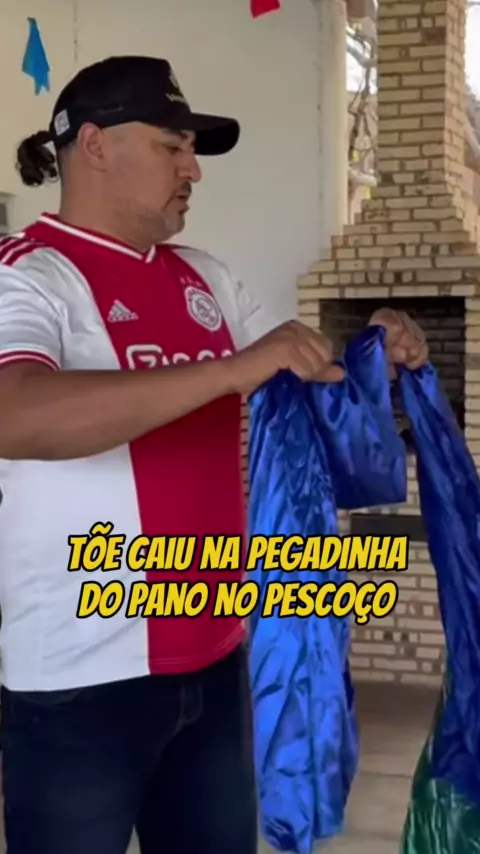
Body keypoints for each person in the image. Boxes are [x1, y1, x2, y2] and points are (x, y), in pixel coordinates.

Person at [0, 55, 428, 854]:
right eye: (172, 146)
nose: (193, 170)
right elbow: (15, 414)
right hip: (79, 676)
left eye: (192, 151)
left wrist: (375, 355)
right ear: (94, 145)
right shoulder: (31, 274)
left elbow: (305, 389)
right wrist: (230, 370)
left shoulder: (209, 279)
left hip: (218, 659)